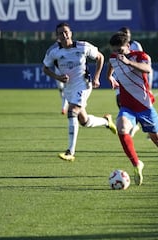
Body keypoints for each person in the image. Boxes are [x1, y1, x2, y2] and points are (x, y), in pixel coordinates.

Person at [108, 31, 158, 185]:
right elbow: (110, 63)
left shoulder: (140, 56)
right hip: (127, 107)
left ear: (128, 46)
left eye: (120, 50)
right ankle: (137, 164)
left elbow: (147, 69)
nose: (117, 54)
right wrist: (109, 76)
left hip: (145, 107)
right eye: (115, 51)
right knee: (121, 128)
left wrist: (128, 62)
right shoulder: (113, 57)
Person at [42, 22, 117, 162]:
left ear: (70, 33)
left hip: (84, 84)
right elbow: (45, 68)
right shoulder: (53, 51)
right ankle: (106, 121)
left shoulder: (83, 46)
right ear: (57, 36)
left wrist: (96, 77)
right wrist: (57, 77)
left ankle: (70, 152)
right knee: (84, 120)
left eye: (66, 32)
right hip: (69, 88)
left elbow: (100, 57)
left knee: (72, 111)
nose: (64, 35)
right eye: (60, 33)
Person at [106, 26, 153, 137]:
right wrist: (110, 76)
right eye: (123, 33)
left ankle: (141, 125)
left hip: (135, 76)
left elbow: (141, 60)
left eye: (127, 33)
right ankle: (130, 122)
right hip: (121, 76)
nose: (126, 35)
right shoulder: (116, 48)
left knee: (143, 106)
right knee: (120, 100)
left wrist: (129, 63)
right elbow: (112, 60)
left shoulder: (135, 45)